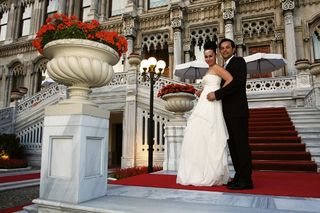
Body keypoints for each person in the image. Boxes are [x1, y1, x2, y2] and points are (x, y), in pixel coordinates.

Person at [176, 41, 233, 186]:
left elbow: (230, 79)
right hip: (203, 103)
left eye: (211, 56)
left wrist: (217, 93)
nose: (208, 58)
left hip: (212, 104)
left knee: (212, 134)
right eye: (206, 56)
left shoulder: (217, 68)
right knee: (198, 134)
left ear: (216, 55)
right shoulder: (208, 70)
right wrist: (201, 91)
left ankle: (213, 172)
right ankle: (199, 170)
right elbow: (211, 84)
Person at [207, 38, 253, 190]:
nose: (225, 50)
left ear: (234, 49)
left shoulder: (239, 61)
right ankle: (239, 176)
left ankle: (246, 179)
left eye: (228, 47)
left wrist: (217, 94)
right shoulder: (224, 66)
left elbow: (237, 83)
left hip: (238, 111)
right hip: (226, 112)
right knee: (233, 146)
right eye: (222, 48)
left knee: (241, 145)